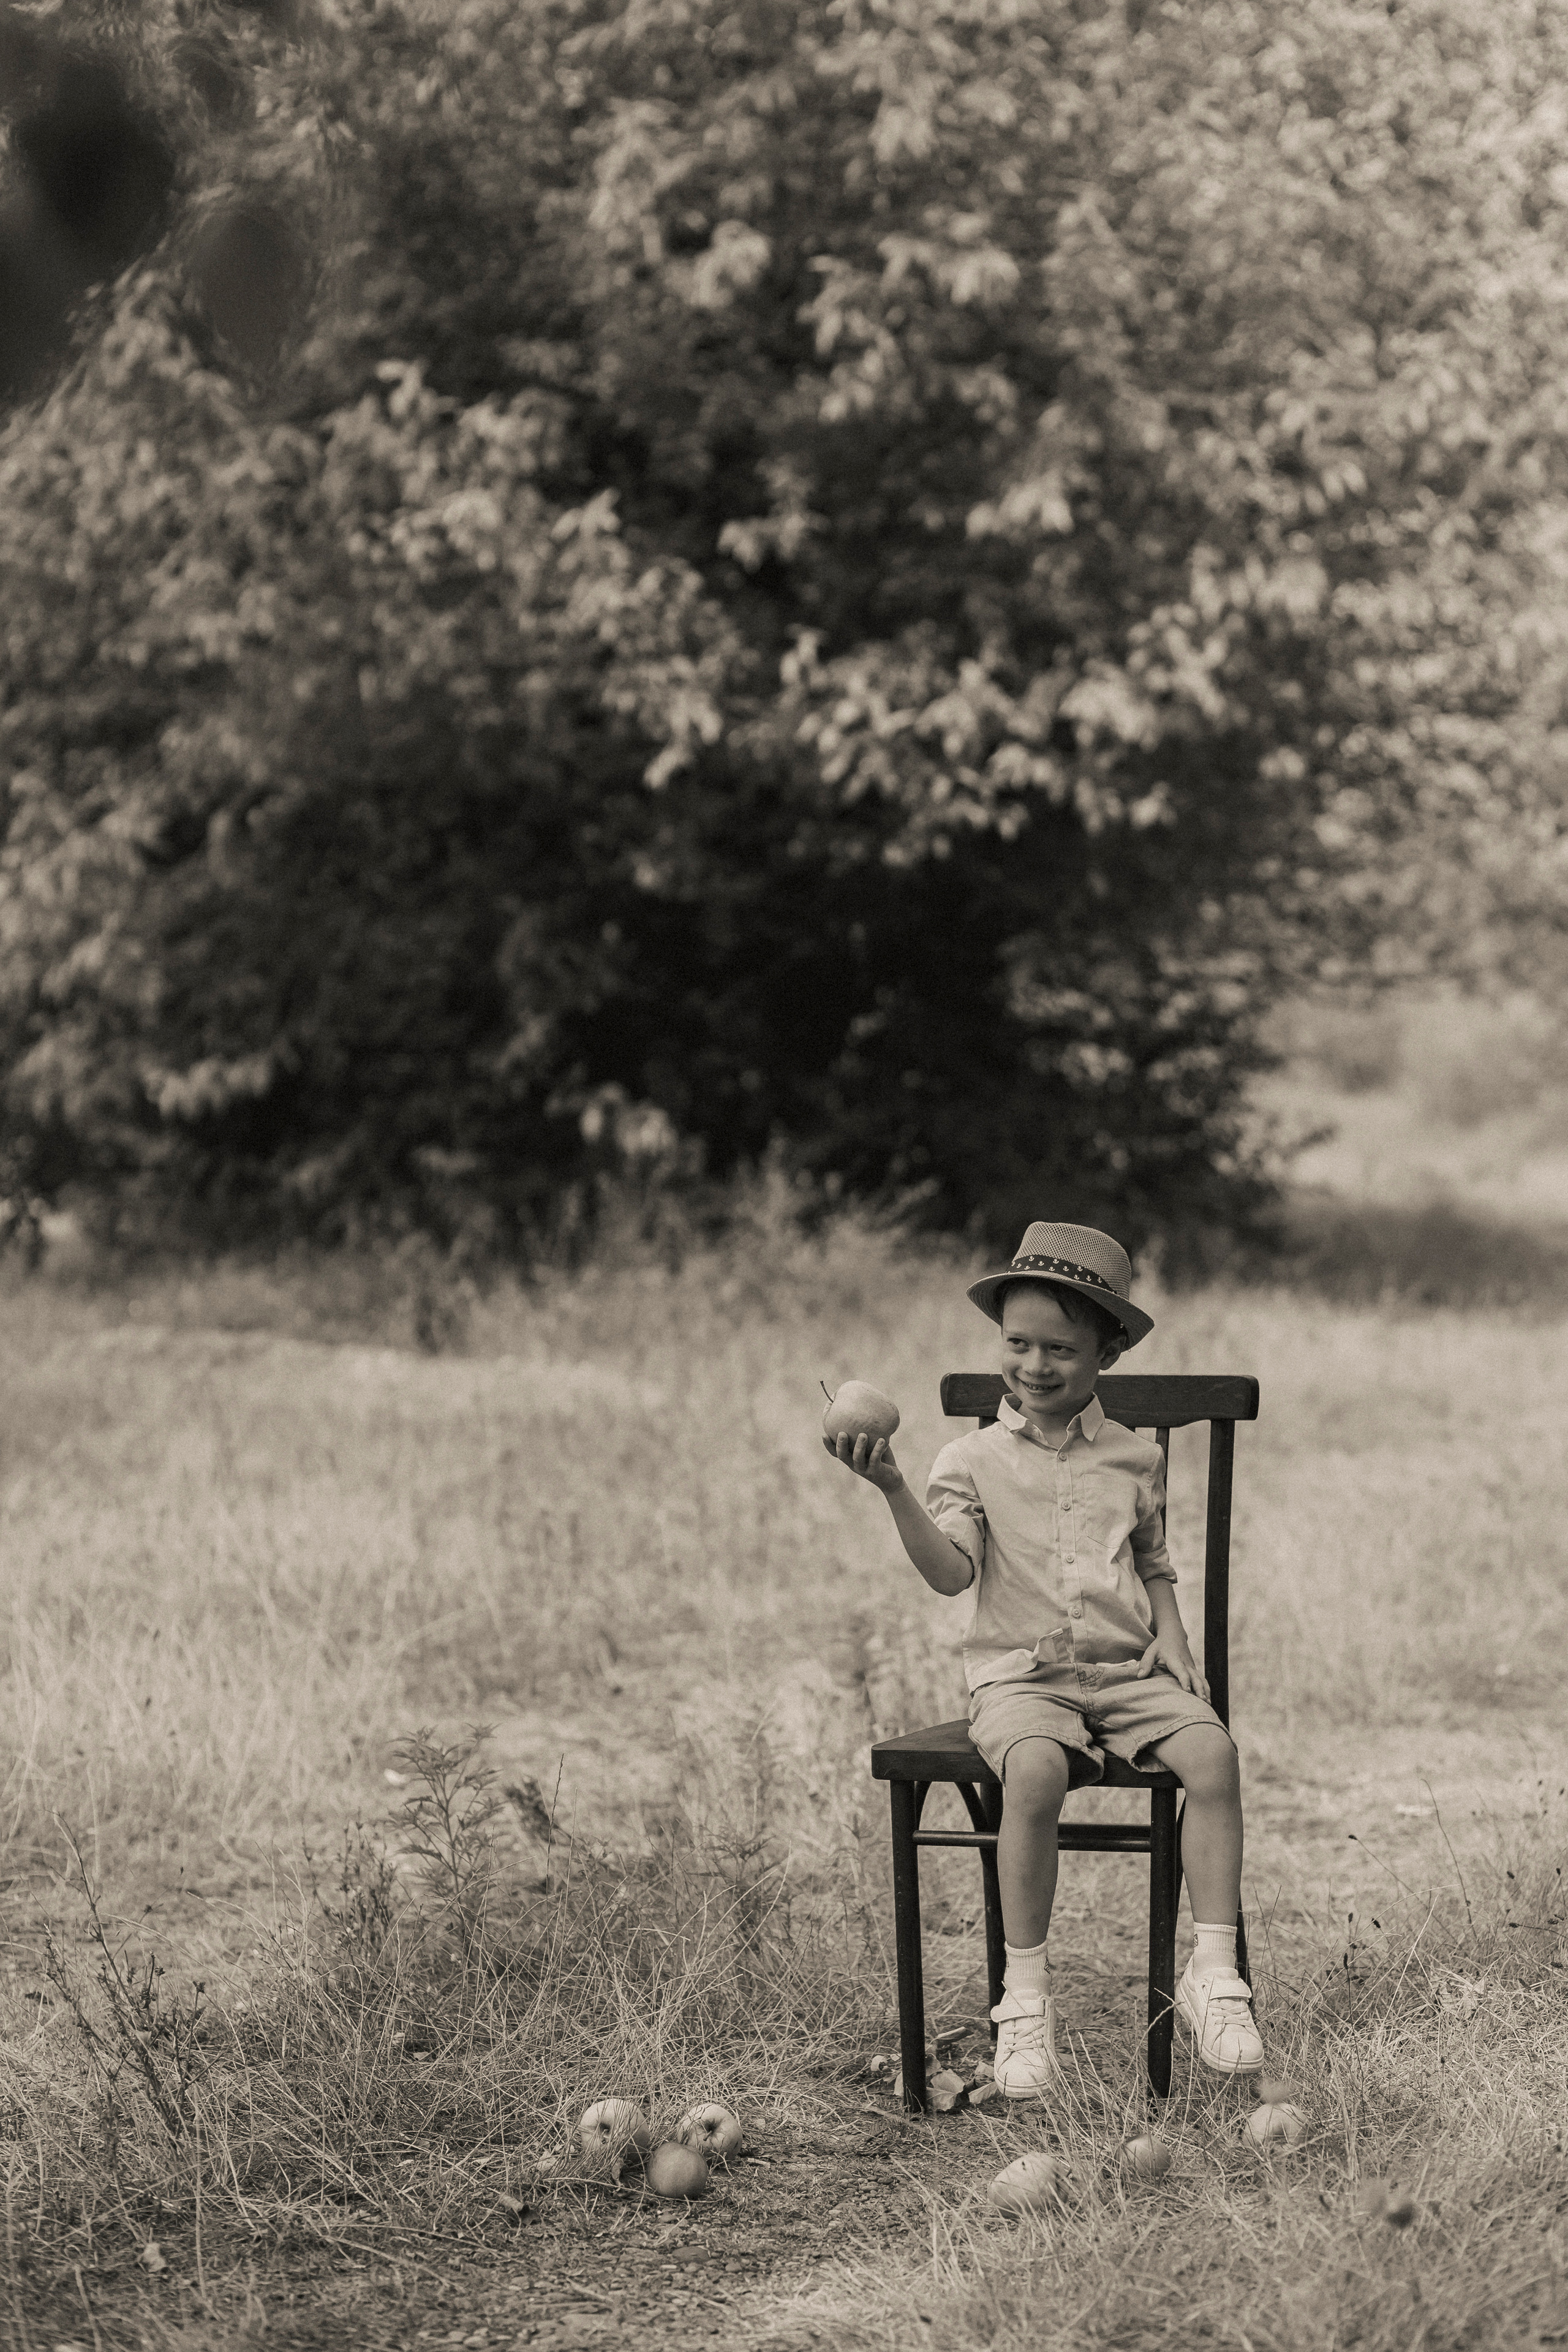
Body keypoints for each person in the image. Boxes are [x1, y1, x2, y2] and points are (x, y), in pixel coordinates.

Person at [824, 1220, 1261, 2100]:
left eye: (1060, 1348)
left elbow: (1152, 1560)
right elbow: (951, 1576)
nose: (1034, 1364)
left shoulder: (1134, 1457)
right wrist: (895, 1488)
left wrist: (1172, 1634)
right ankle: (1023, 2001)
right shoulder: (969, 1459)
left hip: (1128, 1672)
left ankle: (1214, 1977)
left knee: (1214, 1754)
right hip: (1021, 1679)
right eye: (1017, 1343)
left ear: (1106, 1354)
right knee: (1030, 1773)